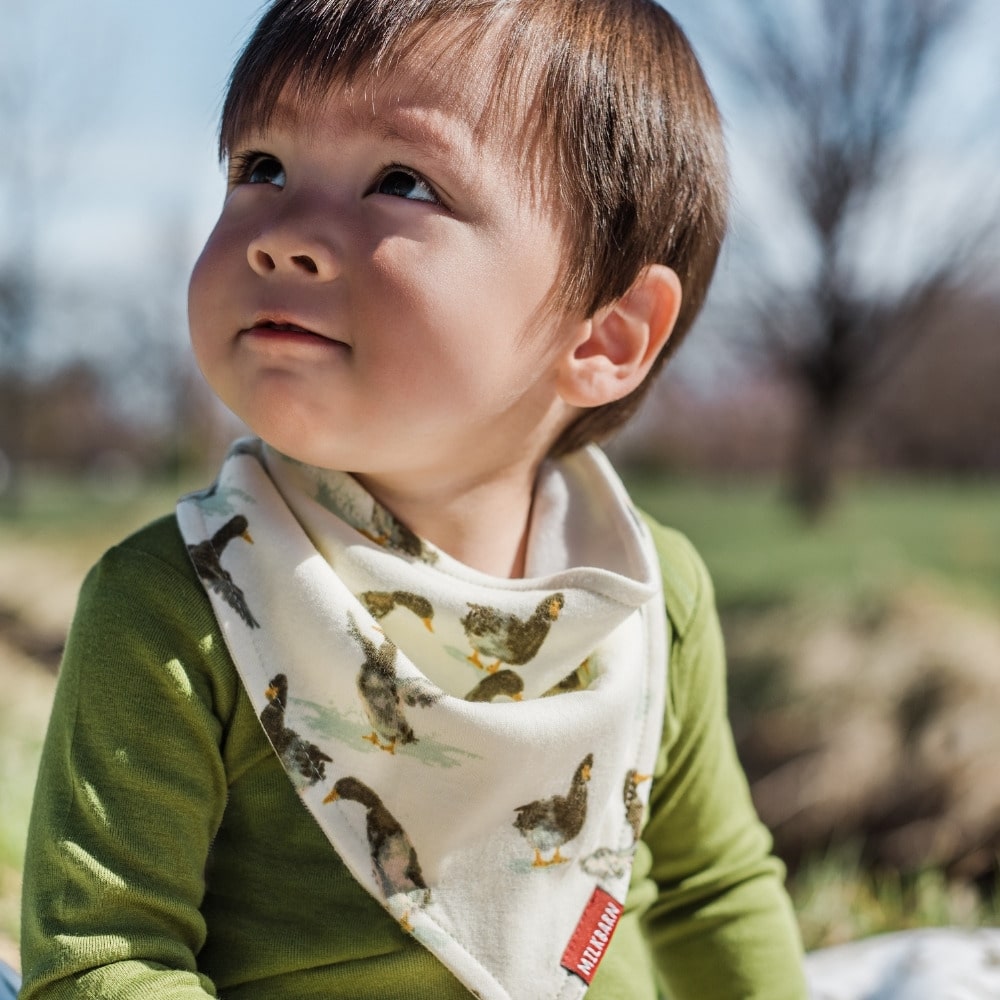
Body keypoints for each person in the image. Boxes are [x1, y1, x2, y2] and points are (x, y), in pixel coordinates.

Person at [19, 1, 808, 997]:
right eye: (260, 166)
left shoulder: (647, 601)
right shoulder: (179, 606)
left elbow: (709, 890)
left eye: (403, 181)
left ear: (604, 334)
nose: (284, 235)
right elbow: (107, 956)